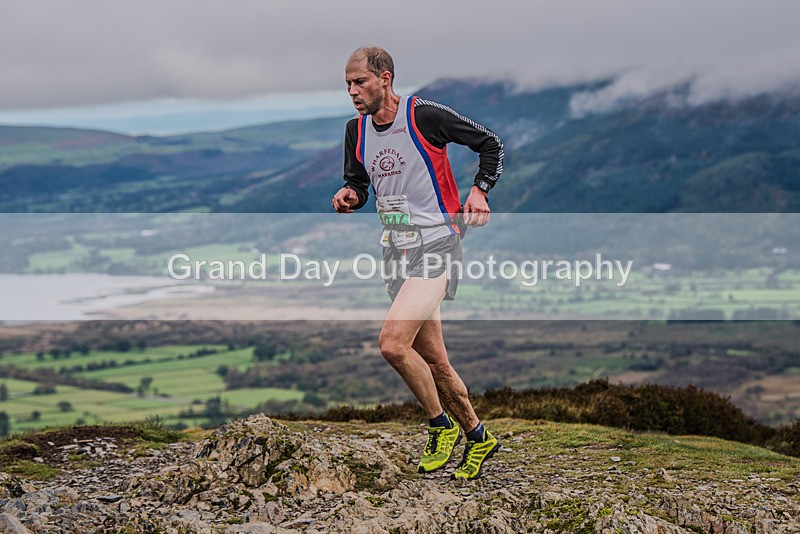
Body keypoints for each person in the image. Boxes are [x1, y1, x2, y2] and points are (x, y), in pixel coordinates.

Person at [331, 46, 503, 480]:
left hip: (438, 244)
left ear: (385, 78)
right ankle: (479, 437)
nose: (352, 91)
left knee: (392, 343)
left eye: (360, 82)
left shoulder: (421, 116)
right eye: (348, 84)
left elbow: (490, 144)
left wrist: (479, 190)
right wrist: (350, 195)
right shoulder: (356, 131)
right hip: (397, 251)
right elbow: (359, 182)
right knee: (436, 362)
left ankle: (439, 426)